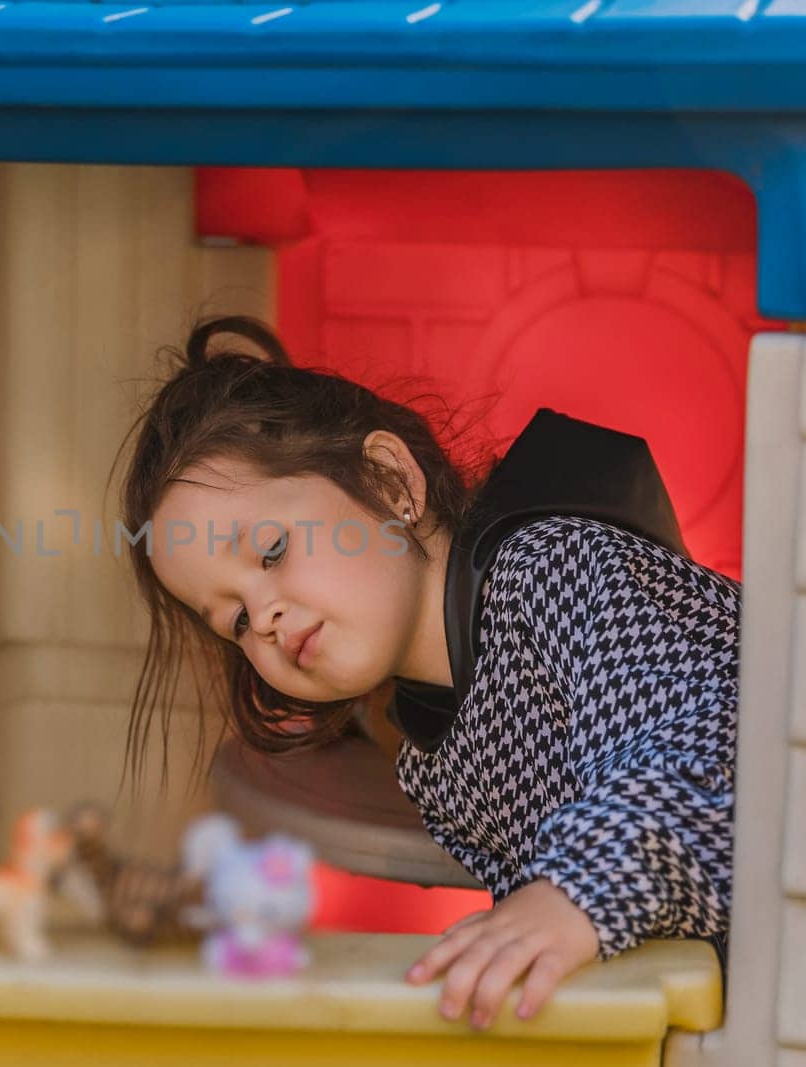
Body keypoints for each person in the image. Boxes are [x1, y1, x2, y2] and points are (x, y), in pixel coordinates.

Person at [114, 315, 739, 1029]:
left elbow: (711, 753)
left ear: (389, 482)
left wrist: (571, 895)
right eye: (236, 623)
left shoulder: (553, 568)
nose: (268, 618)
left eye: (272, 550)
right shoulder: (431, 760)